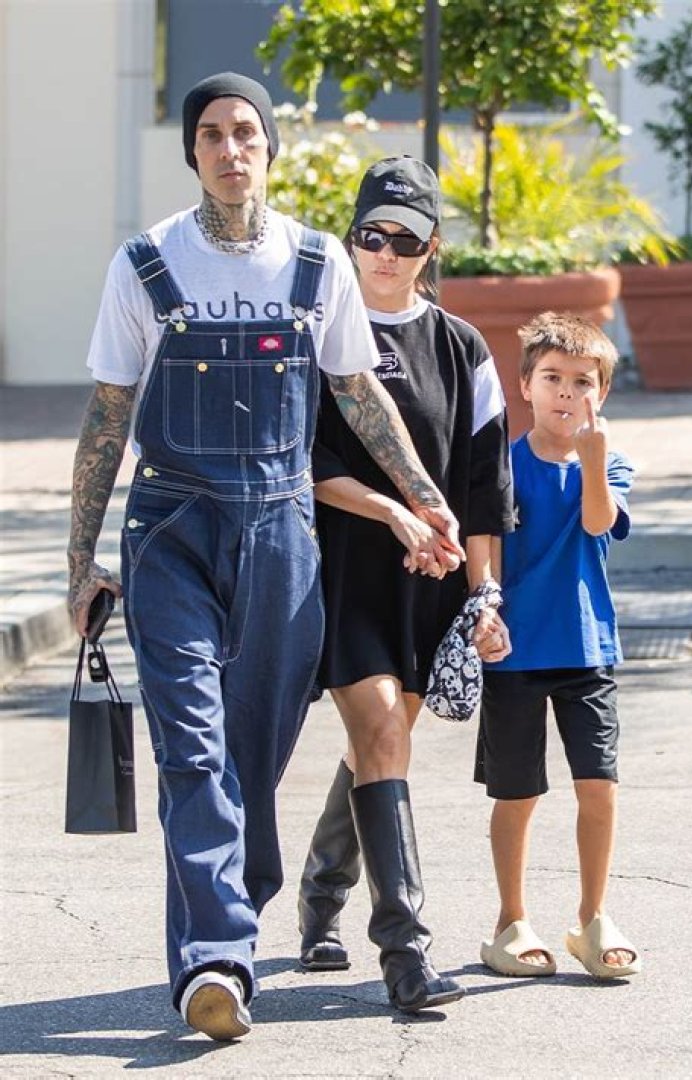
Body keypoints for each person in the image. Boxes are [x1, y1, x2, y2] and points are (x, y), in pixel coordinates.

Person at [66, 75, 464, 1042]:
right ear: (193, 152)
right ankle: (216, 962)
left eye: (247, 132)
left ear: (271, 149)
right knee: (193, 751)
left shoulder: (319, 263)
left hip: (283, 536)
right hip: (169, 530)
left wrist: (424, 495)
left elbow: (359, 393)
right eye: (212, 134)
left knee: (251, 755)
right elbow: (108, 419)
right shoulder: (146, 263)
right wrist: (79, 564)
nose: (230, 148)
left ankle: (231, 919)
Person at [297, 156, 515, 1011]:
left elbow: (483, 491)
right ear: (351, 238)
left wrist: (484, 594)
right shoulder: (316, 336)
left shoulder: (462, 349)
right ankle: (406, 952)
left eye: (407, 239)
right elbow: (305, 465)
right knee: (384, 731)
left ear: (433, 247)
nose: (386, 253)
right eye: (372, 235)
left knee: (375, 746)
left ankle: (322, 892)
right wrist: (393, 512)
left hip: (434, 584)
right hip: (344, 573)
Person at [476, 311, 642, 981]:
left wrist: (595, 460)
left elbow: (600, 524)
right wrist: (483, 617)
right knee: (517, 795)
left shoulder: (612, 462)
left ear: (600, 393)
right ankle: (510, 920)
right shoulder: (500, 466)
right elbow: (481, 548)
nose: (566, 393)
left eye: (582, 381)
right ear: (525, 386)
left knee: (599, 789)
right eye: (552, 378)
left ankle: (591, 918)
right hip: (515, 655)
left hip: (588, 651)